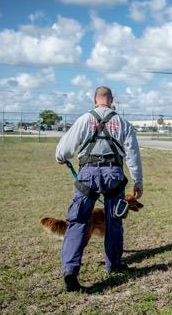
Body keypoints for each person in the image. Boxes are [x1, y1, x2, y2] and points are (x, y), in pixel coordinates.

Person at [55, 86, 143, 292]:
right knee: (114, 221)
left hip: (88, 175)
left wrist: (60, 157)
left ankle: (70, 270)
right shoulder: (122, 123)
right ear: (111, 100)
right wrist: (138, 181)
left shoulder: (84, 119)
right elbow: (132, 155)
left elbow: (64, 149)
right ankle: (114, 264)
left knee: (77, 222)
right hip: (114, 175)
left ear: (95, 100)